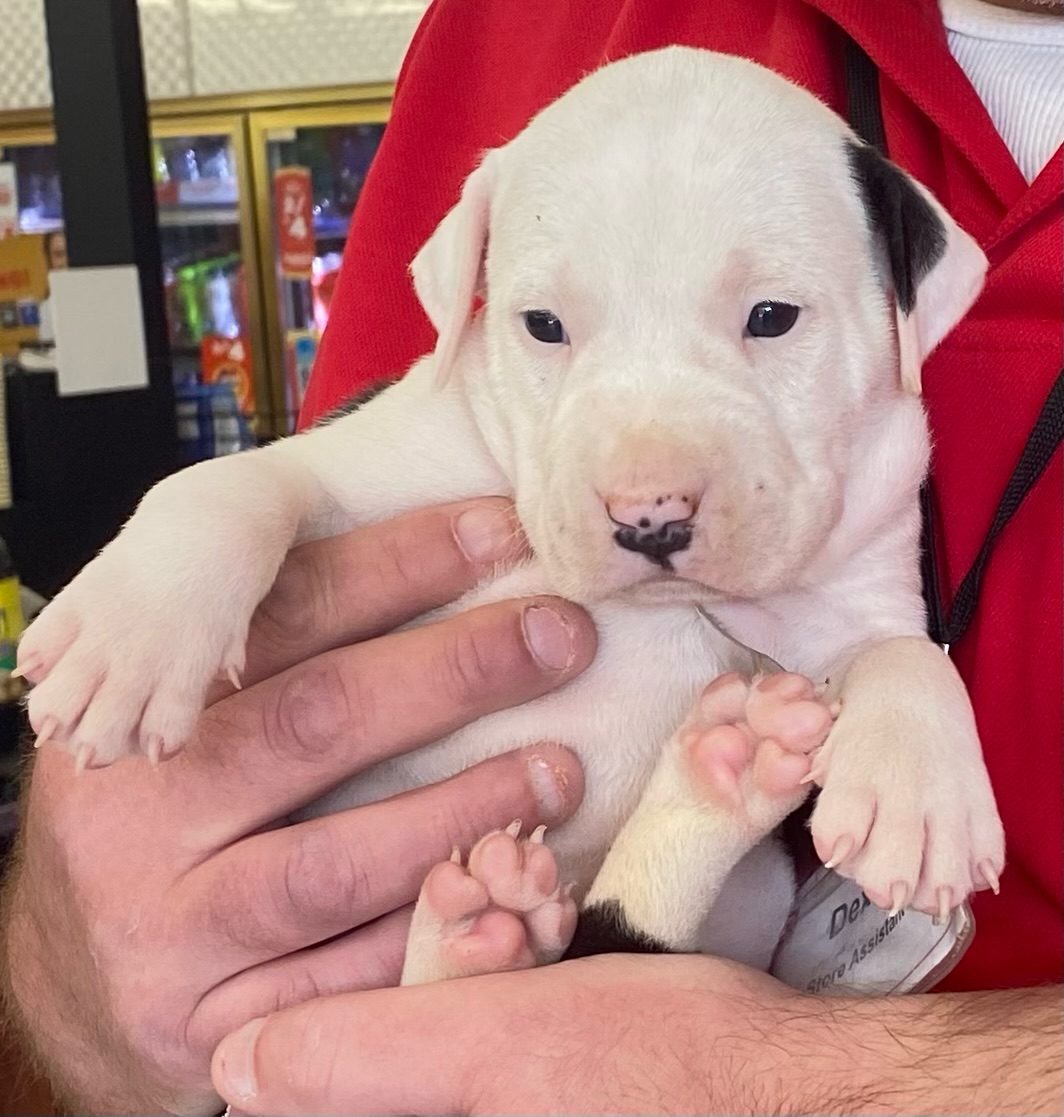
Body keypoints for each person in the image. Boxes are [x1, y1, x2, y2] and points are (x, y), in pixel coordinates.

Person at [1, 0, 1061, 1114]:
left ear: (905, 304)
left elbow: (871, 644)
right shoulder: (513, 36)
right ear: (474, 302)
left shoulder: (860, 353)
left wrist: (903, 698)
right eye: (547, 331)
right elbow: (291, 486)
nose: (647, 495)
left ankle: (637, 875)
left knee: (748, 879)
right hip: (363, 1010)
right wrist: (85, 957)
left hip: (680, 977)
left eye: (768, 318)